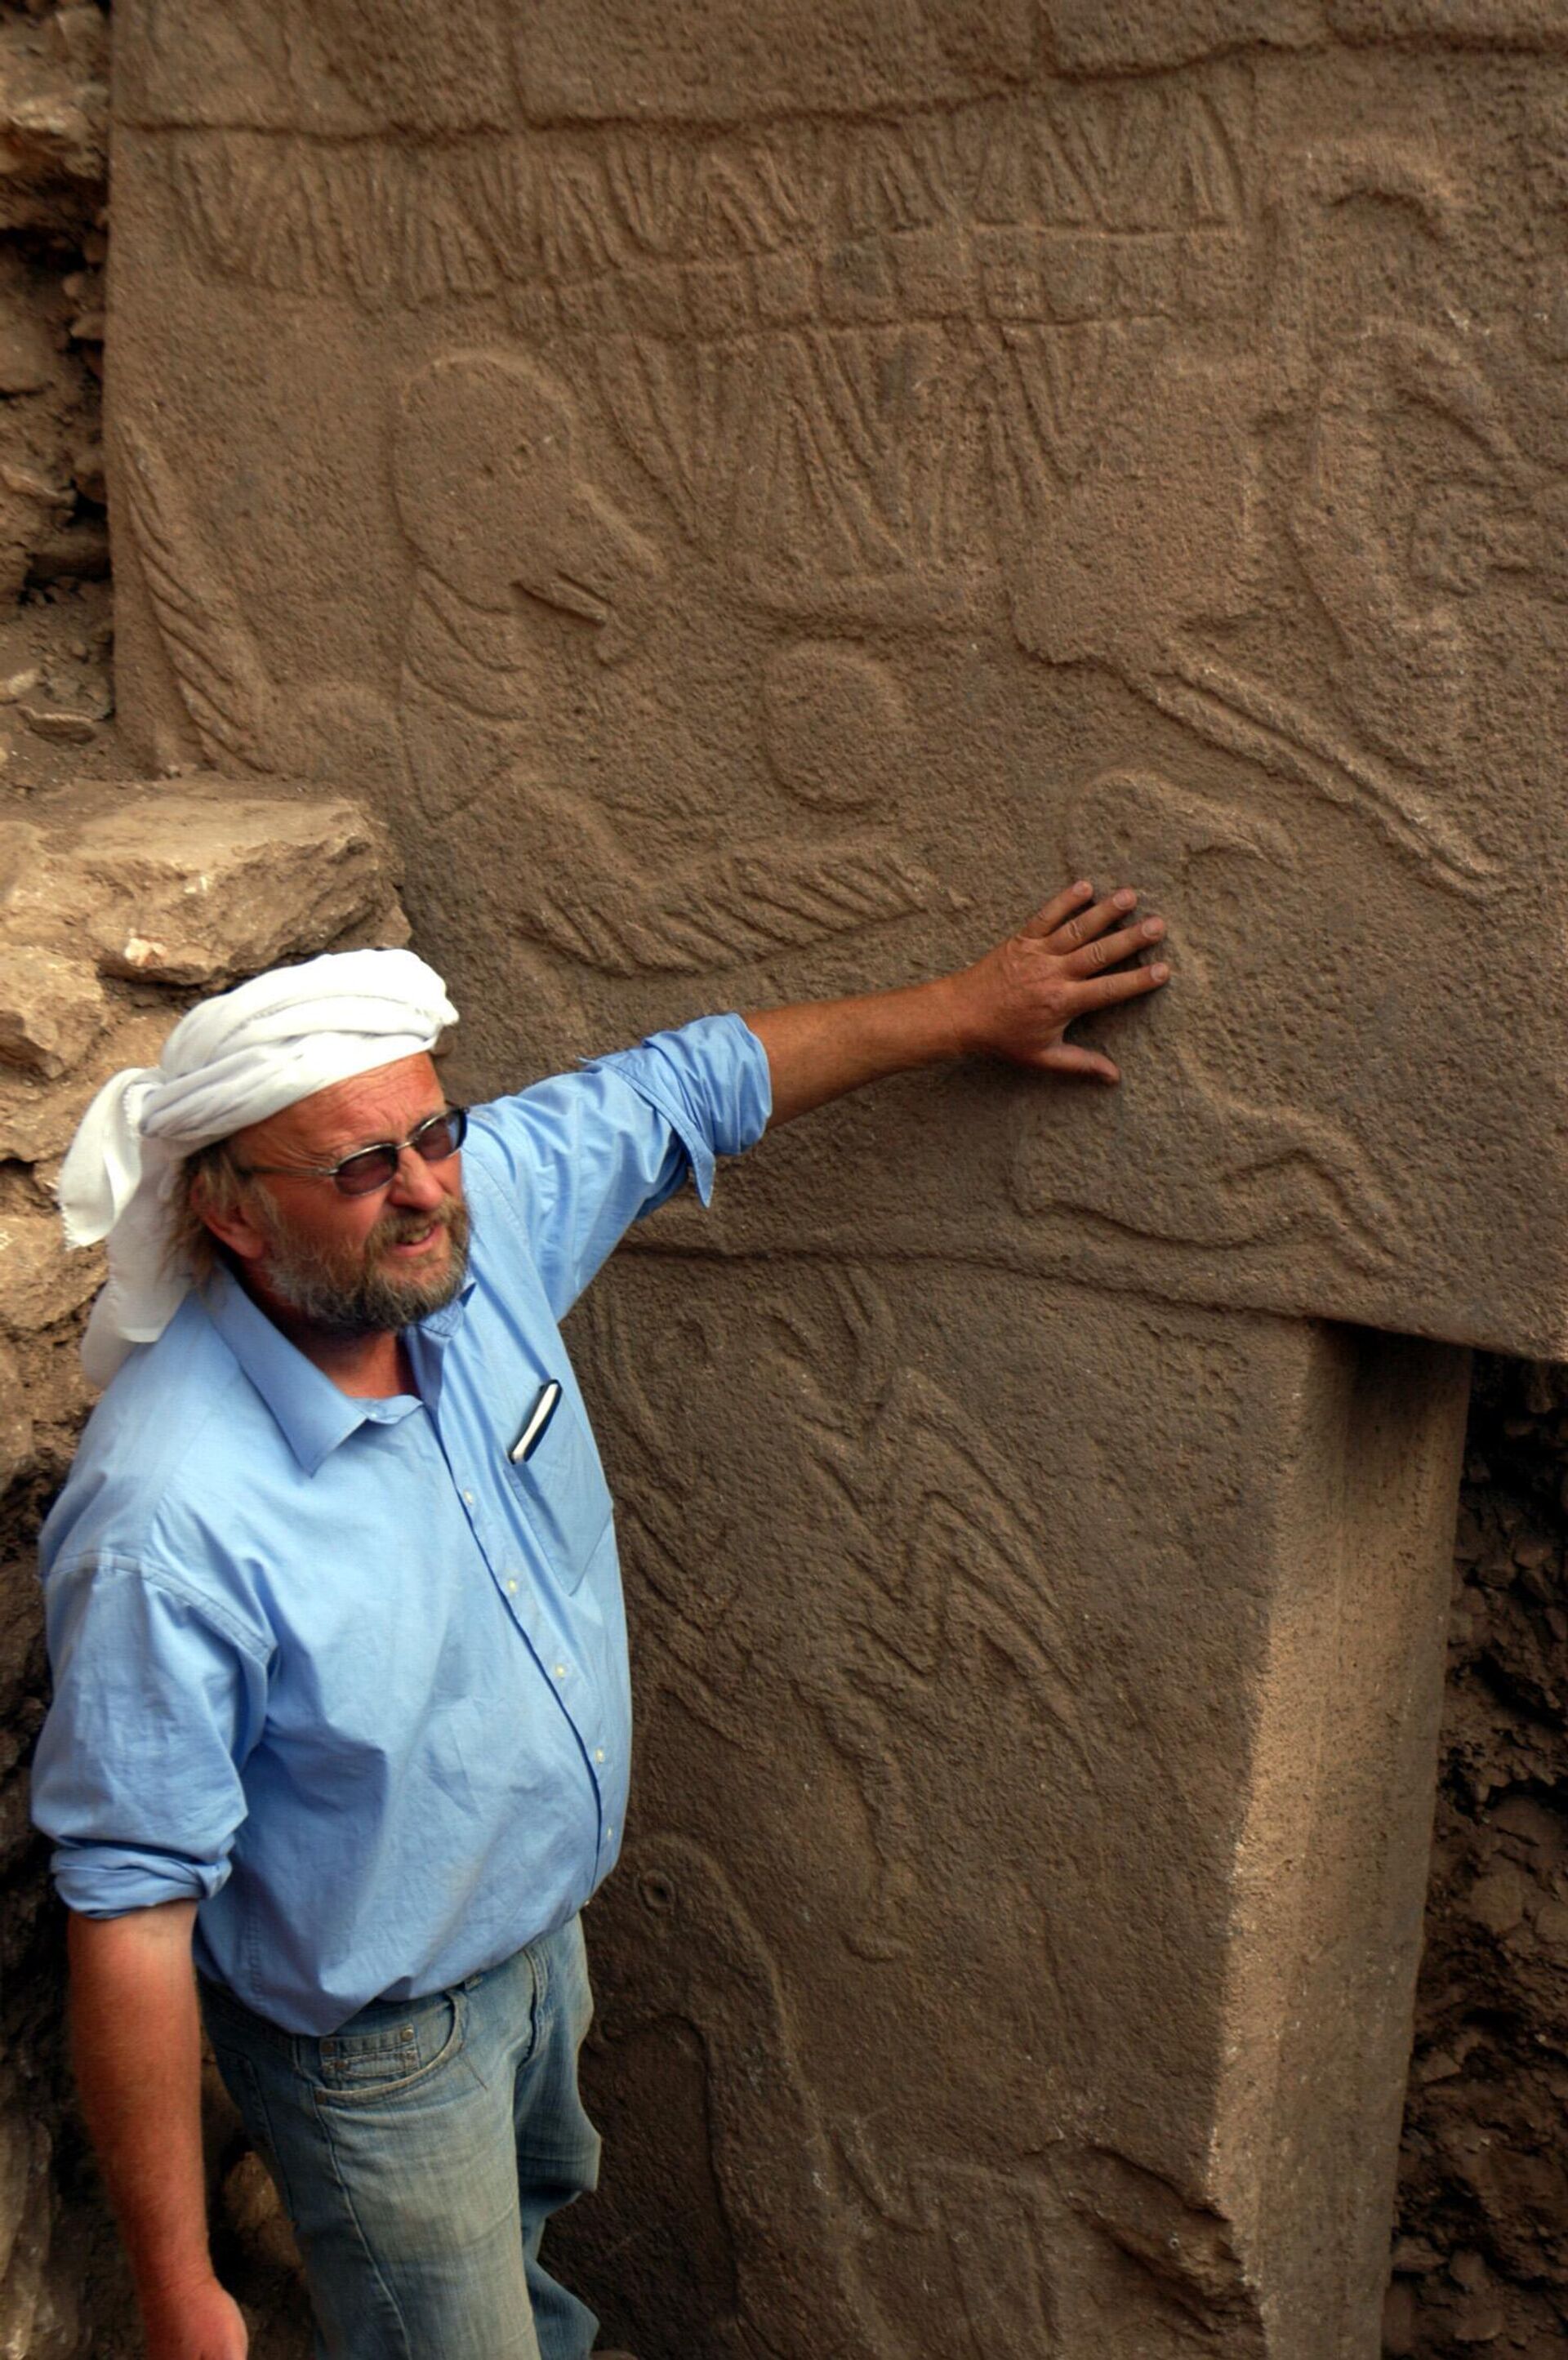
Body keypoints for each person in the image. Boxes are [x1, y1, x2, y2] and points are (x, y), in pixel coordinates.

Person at [30, 881, 1169, 2360]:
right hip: (376, 2047)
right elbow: (126, 1910)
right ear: (228, 1206)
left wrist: (966, 1008)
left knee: (523, 2266)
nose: (428, 1185)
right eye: (362, 1165)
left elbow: (693, 1082)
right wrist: (176, 2287)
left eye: (434, 1131)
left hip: (537, 1950)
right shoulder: (169, 1519)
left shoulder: (458, 1239)